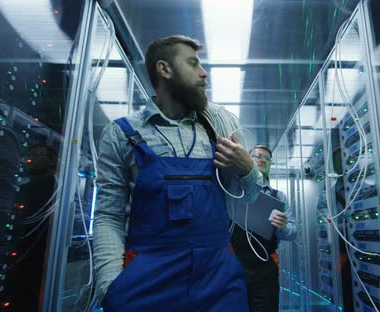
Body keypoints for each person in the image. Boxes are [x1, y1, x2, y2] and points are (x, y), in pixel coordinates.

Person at [92, 35, 263, 311]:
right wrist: (110, 286)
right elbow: (108, 216)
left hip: (218, 277)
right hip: (148, 277)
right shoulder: (122, 134)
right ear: (165, 69)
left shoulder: (218, 126)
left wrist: (248, 170)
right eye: (193, 63)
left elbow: (248, 199)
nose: (204, 73)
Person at [230, 145, 297, 312]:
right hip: (234, 266)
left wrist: (283, 227)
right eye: (257, 156)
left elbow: (293, 232)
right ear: (248, 160)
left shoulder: (278, 197)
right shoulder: (233, 192)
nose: (262, 160)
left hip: (265, 270)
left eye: (267, 158)